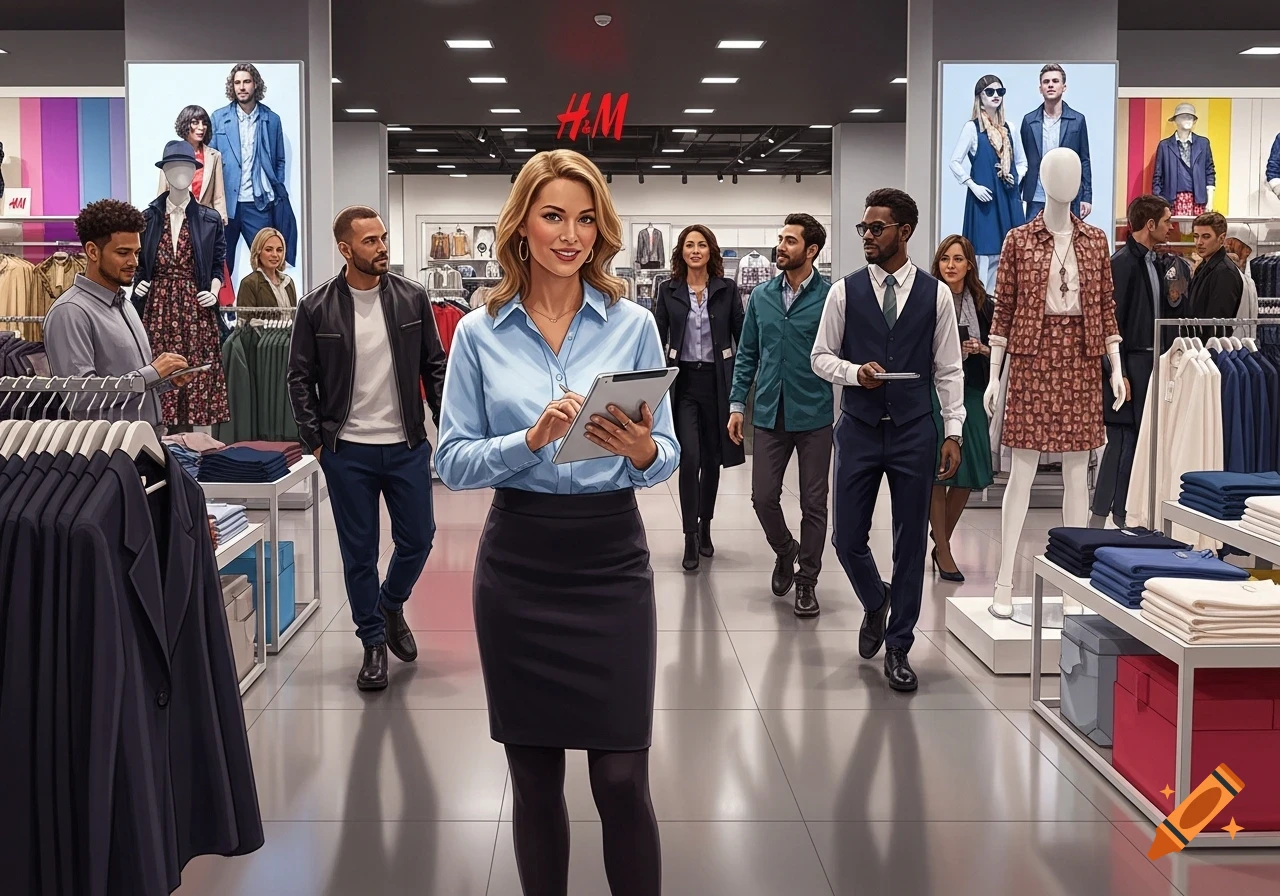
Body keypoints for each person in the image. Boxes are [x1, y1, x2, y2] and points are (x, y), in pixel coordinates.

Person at [435, 149, 677, 896]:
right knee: (535, 785)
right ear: (522, 226)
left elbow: (666, 452)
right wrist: (530, 440)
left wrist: (642, 449)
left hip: (611, 564)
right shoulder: (479, 333)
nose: (570, 234)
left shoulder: (633, 322)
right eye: (553, 216)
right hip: (519, 566)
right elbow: (452, 461)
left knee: (622, 780)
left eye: (584, 218)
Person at [287, 206, 446, 691]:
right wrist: (316, 441)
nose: (382, 248)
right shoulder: (316, 307)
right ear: (345, 249)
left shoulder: (411, 298)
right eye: (371, 241)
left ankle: (391, 602)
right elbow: (299, 378)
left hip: (405, 445)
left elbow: (433, 367)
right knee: (358, 553)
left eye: (383, 238)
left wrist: (449, 424)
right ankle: (373, 642)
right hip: (346, 450)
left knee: (418, 538)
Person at [811, 188, 964, 692]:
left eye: (876, 228)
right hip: (856, 427)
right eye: (863, 229)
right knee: (846, 538)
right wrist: (856, 373)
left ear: (905, 231)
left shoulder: (936, 294)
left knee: (909, 543)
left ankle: (899, 646)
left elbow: (948, 368)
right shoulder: (843, 291)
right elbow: (821, 357)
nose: (867, 237)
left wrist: (953, 431)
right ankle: (877, 602)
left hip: (915, 431)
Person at [728, 214, 833, 618]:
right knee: (762, 497)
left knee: (814, 503)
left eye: (790, 241)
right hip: (769, 411)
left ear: (811, 250)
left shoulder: (830, 298)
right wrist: (737, 404)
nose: (781, 246)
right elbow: (747, 355)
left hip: (814, 413)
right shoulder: (761, 296)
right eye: (780, 239)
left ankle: (807, 581)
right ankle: (785, 549)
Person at [44, 199, 192, 431]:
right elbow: (80, 397)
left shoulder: (126, 305)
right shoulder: (70, 312)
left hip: (146, 442)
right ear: (93, 251)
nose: (133, 262)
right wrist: (151, 373)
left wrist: (165, 381)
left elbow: (130, 384)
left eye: (136, 252)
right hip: (109, 453)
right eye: (123, 253)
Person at [652, 224, 744, 570]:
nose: (695, 251)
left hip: (718, 383)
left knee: (712, 459)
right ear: (681, 252)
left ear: (710, 251)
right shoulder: (668, 290)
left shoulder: (727, 289)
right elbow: (655, 337)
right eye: (689, 245)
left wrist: (743, 385)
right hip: (684, 384)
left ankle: (706, 526)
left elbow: (742, 337)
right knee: (689, 458)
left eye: (701, 245)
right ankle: (689, 534)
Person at [1091, 195, 1174, 528]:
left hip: (1145, 364)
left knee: (1134, 442)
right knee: (1122, 441)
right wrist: (1117, 371)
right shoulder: (1122, 263)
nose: (1172, 226)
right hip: (1128, 366)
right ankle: (1107, 517)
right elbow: (1110, 324)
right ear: (1150, 224)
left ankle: (1124, 515)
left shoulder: (1152, 262)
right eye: (1167, 221)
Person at [927, 235, 994, 582]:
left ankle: (941, 541)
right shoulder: (924, 300)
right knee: (938, 472)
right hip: (935, 391)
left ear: (969, 264)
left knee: (970, 470)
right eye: (944, 259)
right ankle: (945, 549)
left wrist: (980, 349)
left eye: (958, 259)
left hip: (973, 389)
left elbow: (1001, 351)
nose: (950, 265)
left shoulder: (985, 305)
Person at [210, 63, 295, 273]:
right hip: (226, 206)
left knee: (267, 265)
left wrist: (275, 189)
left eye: (246, 81)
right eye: (237, 82)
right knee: (221, 266)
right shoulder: (219, 118)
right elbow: (210, 162)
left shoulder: (271, 119)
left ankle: (265, 306)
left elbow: (279, 160)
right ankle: (224, 307)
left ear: (255, 84)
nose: (242, 87)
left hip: (258, 204)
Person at [1020, 64, 1092, 220]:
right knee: (1033, 243)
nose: (1050, 85)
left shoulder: (1077, 120)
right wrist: (1016, 196)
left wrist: (1087, 197)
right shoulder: (1029, 121)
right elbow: (1022, 160)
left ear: (1063, 87)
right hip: (1037, 196)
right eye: (1046, 82)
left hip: (1068, 196)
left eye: (1055, 81)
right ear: (1040, 88)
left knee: (1067, 242)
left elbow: (1084, 160)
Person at [158, 104, 227, 223]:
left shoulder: (214, 156)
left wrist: (222, 218)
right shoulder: (173, 153)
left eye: (204, 123)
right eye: (195, 122)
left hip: (206, 220)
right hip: (178, 218)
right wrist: (159, 217)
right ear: (185, 125)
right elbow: (163, 191)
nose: (201, 127)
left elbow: (218, 195)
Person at [1188, 211, 1244, 340]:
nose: (1199, 242)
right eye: (1196, 236)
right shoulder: (1203, 267)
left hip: (1209, 352)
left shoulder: (1224, 272)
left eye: (1206, 236)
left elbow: (1217, 326)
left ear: (1221, 238)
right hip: (1197, 349)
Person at [235, 227, 296, 321]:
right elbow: (245, 326)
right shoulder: (249, 283)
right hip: (262, 336)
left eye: (279, 250)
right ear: (258, 252)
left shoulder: (288, 282)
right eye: (268, 250)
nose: (275, 254)